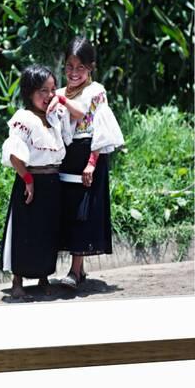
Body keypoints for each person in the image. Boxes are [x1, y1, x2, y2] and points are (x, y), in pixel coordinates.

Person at [1, 64, 78, 299]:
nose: (49, 96)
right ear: (30, 91)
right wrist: (27, 179)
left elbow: (75, 126)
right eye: (43, 91)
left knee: (47, 232)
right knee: (26, 230)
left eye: (52, 90)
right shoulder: (23, 118)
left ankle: (44, 277)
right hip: (30, 182)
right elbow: (14, 154)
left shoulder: (53, 119)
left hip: (52, 182)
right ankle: (17, 282)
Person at [53, 36, 125, 289]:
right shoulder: (59, 93)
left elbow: (100, 131)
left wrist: (92, 163)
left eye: (80, 68)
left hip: (88, 155)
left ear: (90, 68)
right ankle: (78, 271)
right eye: (70, 67)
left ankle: (74, 271)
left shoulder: (96, 92)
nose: (74, 73)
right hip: (67, 157)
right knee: (70, 212)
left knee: (83, 214)